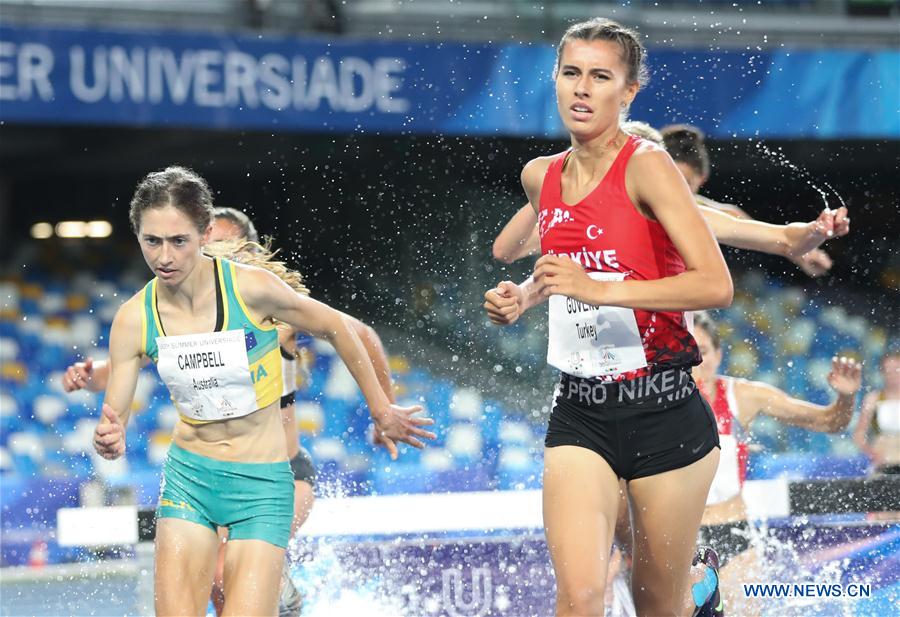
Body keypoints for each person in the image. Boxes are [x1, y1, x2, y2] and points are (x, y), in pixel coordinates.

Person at [91, 166, 434, 616]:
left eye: (179, 241)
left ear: (206, 232)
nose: (165, 256)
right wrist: (110, 436)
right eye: (152, 241)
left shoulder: (251, 289)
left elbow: (337, 326)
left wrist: (380, 407)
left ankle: (285, 596)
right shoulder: (134, 318)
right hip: (190, 480)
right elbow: (115, 410)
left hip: (262, 484)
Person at [483, 18, 734, 616]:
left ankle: (701, 595)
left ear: (629, 92)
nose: (582, 89)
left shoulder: (648, 165)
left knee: (656, 604)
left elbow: (715, 284)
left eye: (600, 77)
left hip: (666, 409)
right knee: (581, 595)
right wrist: (523, 296)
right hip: (582, 410)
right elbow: (563, 267)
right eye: (571, 73)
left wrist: (600, 289)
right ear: (555, 81)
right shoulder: (541, 177)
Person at [679, 311, 862, 615]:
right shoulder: (657, 402)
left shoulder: (744, 396)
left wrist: (845, 400)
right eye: (688, 351)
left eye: (704, 351)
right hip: (681, 538)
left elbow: (829, 422)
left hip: (734, 535)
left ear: (719, 354)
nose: (697, 360)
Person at [492, 124, 849, 269]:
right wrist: (551, 188)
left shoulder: (685, 212)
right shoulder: (575, 217)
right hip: (586, 379)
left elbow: (778, 236)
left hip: (661, 368)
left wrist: (810, 238)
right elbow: (506, 252)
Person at [660, 124, 836, 278]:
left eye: (686, 182)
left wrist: (803, 254)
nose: (676, 190)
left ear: (702, 179)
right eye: (670, 179)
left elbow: (744, 222)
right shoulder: (640, 196)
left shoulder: (703, 210)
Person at [853, 350, 900, 474]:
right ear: (882, 373)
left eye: (896, 370)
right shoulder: (873, 399)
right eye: (888, 371)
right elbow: (859, 435)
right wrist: (873, 453)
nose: (893, 375)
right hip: (883, 462)